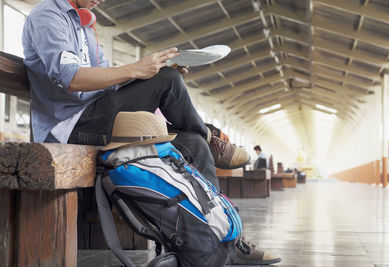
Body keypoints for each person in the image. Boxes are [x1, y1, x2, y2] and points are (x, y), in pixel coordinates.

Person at [22, 0, 280, 264]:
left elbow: (110, 83)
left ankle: (220, 240)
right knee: (168, 80)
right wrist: (141, 72)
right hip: (71, 126)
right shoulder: (48, 15)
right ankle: (209, 138)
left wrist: (147, 74)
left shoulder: (85, 24)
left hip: (100, 115)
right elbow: (72, 78)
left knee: (192, 142)